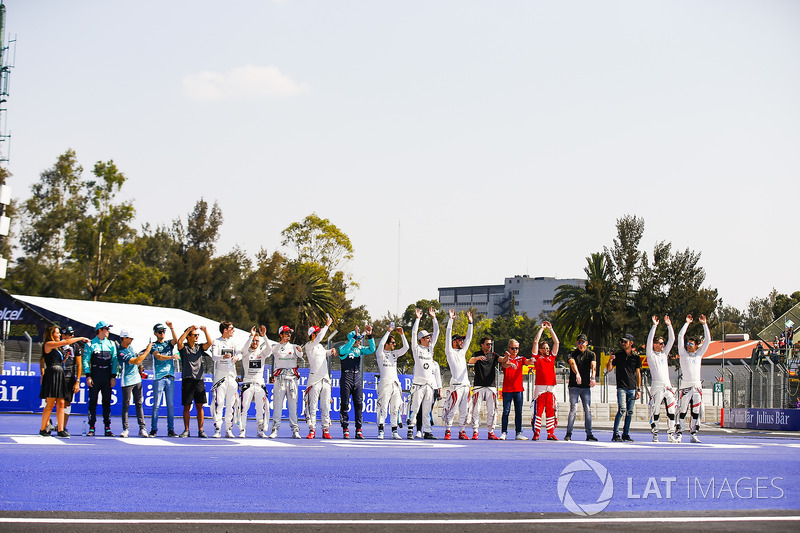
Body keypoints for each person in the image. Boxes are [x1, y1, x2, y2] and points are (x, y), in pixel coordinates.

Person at [39, 325, 89, 438]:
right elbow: (66, 341)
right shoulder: (49, 344)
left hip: (59, 372)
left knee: (61, 402)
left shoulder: (58, 348)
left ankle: (61, 429)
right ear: (52, 334)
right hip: (52, 373)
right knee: (50, 403)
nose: (59, 335)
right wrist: (80, 338)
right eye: (57, 333)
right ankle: (43, 428)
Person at [677, 314, 710, 443]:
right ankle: (679, 433)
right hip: (685, 386)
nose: (689, 345)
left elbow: (707, 341)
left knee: (696, 411)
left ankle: (693, 434)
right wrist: (687, 323)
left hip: (697, 386)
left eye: (691, 343)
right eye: (688, 343)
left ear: (696, 346)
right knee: (683, 410)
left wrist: (704, 324)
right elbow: (680, 337)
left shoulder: (699, 355)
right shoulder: (683, 354)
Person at [338, 324, 375, 439]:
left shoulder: (359, 350)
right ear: (352, 339)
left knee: (359, 405)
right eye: (358, 339)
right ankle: (345, 428)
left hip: (357, 377)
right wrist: (354, 338)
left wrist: (370, 336)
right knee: (345, 404)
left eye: (360, 340)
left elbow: (372, 349)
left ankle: (359, 429)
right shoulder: (343, 348)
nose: (359, 342)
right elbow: (344, 351)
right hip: (346, 377)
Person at [408, 307, 440, 440]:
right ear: (421, 339)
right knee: (415, 408)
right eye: (427, 338)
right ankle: (411, 429)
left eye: (430, 338)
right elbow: (414, 333)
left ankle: (427, 431)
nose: (430, 339)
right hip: (418, 385)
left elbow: (437, 332)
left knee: (427, 410)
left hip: (429, 385)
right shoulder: (416, 349)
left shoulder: (430, 350)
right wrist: (417, 319)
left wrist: (434, 318)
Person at [441, 309, 474, 440]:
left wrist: (470, 323)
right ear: (454, 341)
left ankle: (462, 431)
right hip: (456, 386)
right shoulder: (450, 351)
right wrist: (450, 320)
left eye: (462, 340)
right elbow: (448, 335)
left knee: (464, 411)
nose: (462, 342)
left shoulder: (462, 352)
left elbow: (469, 338)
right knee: (452, 409)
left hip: (466, 386)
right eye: (460, 340)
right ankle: (448, 430)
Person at [83, 321, 119, 437]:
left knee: (107, 402)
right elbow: (85, 361)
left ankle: (107, 427)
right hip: (95, 374)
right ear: (100, 330)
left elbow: (114, 361)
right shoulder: (90, 344)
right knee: (92, 401)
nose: (108, 331)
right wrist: (88, 376)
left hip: (107, 375)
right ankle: (92, 427)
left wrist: (113, 377)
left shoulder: (112, 344)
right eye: (106, 329)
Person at [269, 325, 305, 439]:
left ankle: (295, 430)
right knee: (277, 405)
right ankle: (275, 429)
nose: (288, 335)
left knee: (293, 405)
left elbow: (300, 355)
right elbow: (273, 351)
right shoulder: (276, 346)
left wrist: (300, 351)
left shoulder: (294, 347)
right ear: (281, 334)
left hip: (292, 379)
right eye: (286, 333)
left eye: (289, 333)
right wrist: (281, 343)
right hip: (280, 379)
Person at [177, 325, 213, 438]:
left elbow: (210, 343)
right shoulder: (184, 348)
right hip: (188, 379)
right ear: (188, 336)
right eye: (194, 335)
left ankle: (201, 430)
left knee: (199, 406)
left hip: (199, 380)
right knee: (187, 406)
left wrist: (205, 330)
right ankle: (186, 430)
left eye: (198, 335)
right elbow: (179, 342)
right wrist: (188, 330)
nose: (197, 337)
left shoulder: (199, 347)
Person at [646, 315, 677, 443]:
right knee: (656, 410)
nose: (663, 345)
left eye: (663, 343)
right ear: (655, 345)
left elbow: (673, 339)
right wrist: (654, 326)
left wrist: (669, 325)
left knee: (671, 410)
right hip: (657, 387)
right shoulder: (651, 355)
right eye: (660, 343)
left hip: (667, 386)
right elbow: (649, 341)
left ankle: (671, 435)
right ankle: (655, 434)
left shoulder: (664, 354)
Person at [304, 317, 336, 439]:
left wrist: (331, 351)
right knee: (312, 406)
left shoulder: (320, 347)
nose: (318, 335)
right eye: (317, 333)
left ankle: (325, 430)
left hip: (325, 379)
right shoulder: (309, 346)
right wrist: (327, 325)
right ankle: (312, 430)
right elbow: (319, 339)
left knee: (326, 406)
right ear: (312, 335)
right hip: (314, 380)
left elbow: (324, 353)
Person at [375, 324, 409, 440]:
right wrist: (388, 331)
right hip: (385, 383)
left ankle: (394, 431)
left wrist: (402, 335)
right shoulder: (380, 354)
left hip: (395, 384)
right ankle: (381, 430)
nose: (395, 344)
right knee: (382, 408)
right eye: (393, 343)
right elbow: (380, 345)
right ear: (387, 344)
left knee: (395, 408)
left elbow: (406, 348)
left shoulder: (395, 354)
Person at [607, 333, 642, 442]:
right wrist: (610, 360)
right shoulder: (618, 355)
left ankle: (626, 434)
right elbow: (609, 369)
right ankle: (615, 433)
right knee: (622, 409)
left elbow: (638, 373)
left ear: (631, 343)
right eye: (622, 341)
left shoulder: (636, 357)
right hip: (621, 387)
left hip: (632, 387)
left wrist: (639, 388)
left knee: (629, 412)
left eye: (625, 341)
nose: (623, 343)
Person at [469, 336, 505, 440]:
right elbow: (470, 361)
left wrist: (507, 357)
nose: (490, 346)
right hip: (478, 386)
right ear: (482, 345)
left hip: (491, 386)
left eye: (491, 344)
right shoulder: (476, 354)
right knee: (476, 409)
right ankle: (475, 431)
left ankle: (491, 431)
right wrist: (477, 359)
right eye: (488, 344)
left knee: (492, 410)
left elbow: (501, 360)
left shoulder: (493, 355)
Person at [118, 329, 152, 438]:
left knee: (139, 404)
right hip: (127, 380)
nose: (131, 340)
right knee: (126, 404)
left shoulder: (131, 348)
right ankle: (125, 429)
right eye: (129, 338)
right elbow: (136, 361)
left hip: (137, 379)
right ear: (124, 338)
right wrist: (147, 351)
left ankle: (142, 428)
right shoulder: (121, 352)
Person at [239, 326, 273, 438]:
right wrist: (251, 336)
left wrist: (264, 336)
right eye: (253, 341)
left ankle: (260, 431)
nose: (254, 342)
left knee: (260, 409)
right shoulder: (245, 353)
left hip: (259, 385)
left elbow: (270, 349)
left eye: (256, 341)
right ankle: (242, 430)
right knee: (244, 408)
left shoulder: (262, 353)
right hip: (247, 384)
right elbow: (243, 349)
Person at [210, 321, 242, 438]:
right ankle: (217, 428)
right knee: (219, 402)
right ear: (225, 330)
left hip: (232, 376)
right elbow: (214, 357)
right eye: (231, 328)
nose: (233, 330)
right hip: (220, 376)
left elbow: (241, 354)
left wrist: (237, 357)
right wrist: (222, 357)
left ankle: (229, 428)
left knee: (231, 403)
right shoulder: (216, 342)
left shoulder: (234, 342)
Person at [530, 321, 560, 441]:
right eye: (544, 348)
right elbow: (536, 341)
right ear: (540, 350)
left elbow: (556, 342)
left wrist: (551, 329)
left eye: (548, 348)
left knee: (551, 411)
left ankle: (550, 433)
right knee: (538, 411)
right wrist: (542, 329)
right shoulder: (537, 358)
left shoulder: (552, 357)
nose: (547, 350)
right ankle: (536, 433)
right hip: (540, 388)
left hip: (551, 387)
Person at [565, 334, 598, 442]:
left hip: (585, 387)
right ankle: (568, 433)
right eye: (579, 342)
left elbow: (593, 366)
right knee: (573, 409)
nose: (581, 344)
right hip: (574, 386)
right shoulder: (572, 354)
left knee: (587, 409)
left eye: (583, 342)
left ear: (586, 343)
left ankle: (589, 434)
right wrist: (577, 374)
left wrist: (593, 377)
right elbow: (572, 364)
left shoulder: (591, 354)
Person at [150, 322, 180, 437]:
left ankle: (171, 430)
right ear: (155, 333)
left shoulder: (168, 343)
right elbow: (158, 356)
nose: (162, 333)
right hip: (159, 377)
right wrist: (171, 357)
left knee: (170, 405)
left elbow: (176, 340)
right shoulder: (153, 345)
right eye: (160, 332)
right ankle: (153, 429)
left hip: (170, 377)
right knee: (156, 405)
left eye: (163, 331)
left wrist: (172, 327)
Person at [500, 339, 532, 440]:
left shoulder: (521, 358)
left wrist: (533, 359)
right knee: (506, 411)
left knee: (519, 412)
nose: (515, 350)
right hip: (507, 390)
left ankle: (519, 433)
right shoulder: (505, 358)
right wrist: (509, 363)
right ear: (509, 348)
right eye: (513, 348)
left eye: (517, 348)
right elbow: (504, 364)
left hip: (518, 390)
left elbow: (527, 362)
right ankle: (504, 432)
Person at [59, 326, 83, 434]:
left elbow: (79, 364)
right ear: (63, 335)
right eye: (70, 334)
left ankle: (63, 427)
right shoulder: (57, 344)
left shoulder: (75, 346)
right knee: (52, 401)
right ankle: (49, 424)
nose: (72, 336)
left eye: (73, 334)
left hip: (69, 376)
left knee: (67, 402)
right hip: (58, 375)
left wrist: (77, 381)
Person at [415, 359, 442, 438]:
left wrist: (440, 390)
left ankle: (427, 431)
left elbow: (438, 377)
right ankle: (419, 430)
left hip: (433, 388)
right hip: (422, 387)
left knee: (428, 410)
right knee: (420, 410)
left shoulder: (435, 364)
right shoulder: (419, 361)